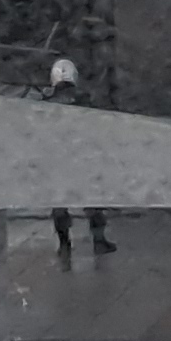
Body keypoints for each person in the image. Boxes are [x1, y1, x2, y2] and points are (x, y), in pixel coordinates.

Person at [45, 58, 114, 260]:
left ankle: (64, 243)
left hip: (58, 160)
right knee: (92, 201)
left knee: (58, 204)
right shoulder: (85, 102)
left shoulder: (47, 106)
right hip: (82, 158)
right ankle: (99, 241)